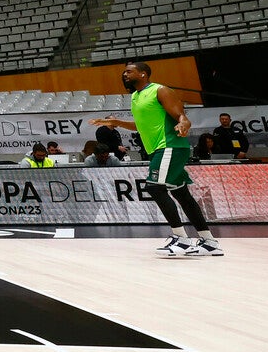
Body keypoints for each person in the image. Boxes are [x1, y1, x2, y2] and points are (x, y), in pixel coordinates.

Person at [91, 61, 222, 257]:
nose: (125, 74)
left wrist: (183, 124)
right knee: (181, 194)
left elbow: (181, 116)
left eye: (129, 71)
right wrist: (116, 122)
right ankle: (209, 242)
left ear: (143, 74)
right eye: (124, 72)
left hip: (169, 146)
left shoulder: (160, 90)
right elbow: (141, 125)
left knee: (154, 187)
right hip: (159, 149)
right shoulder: (135, 96)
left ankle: (181, 239)